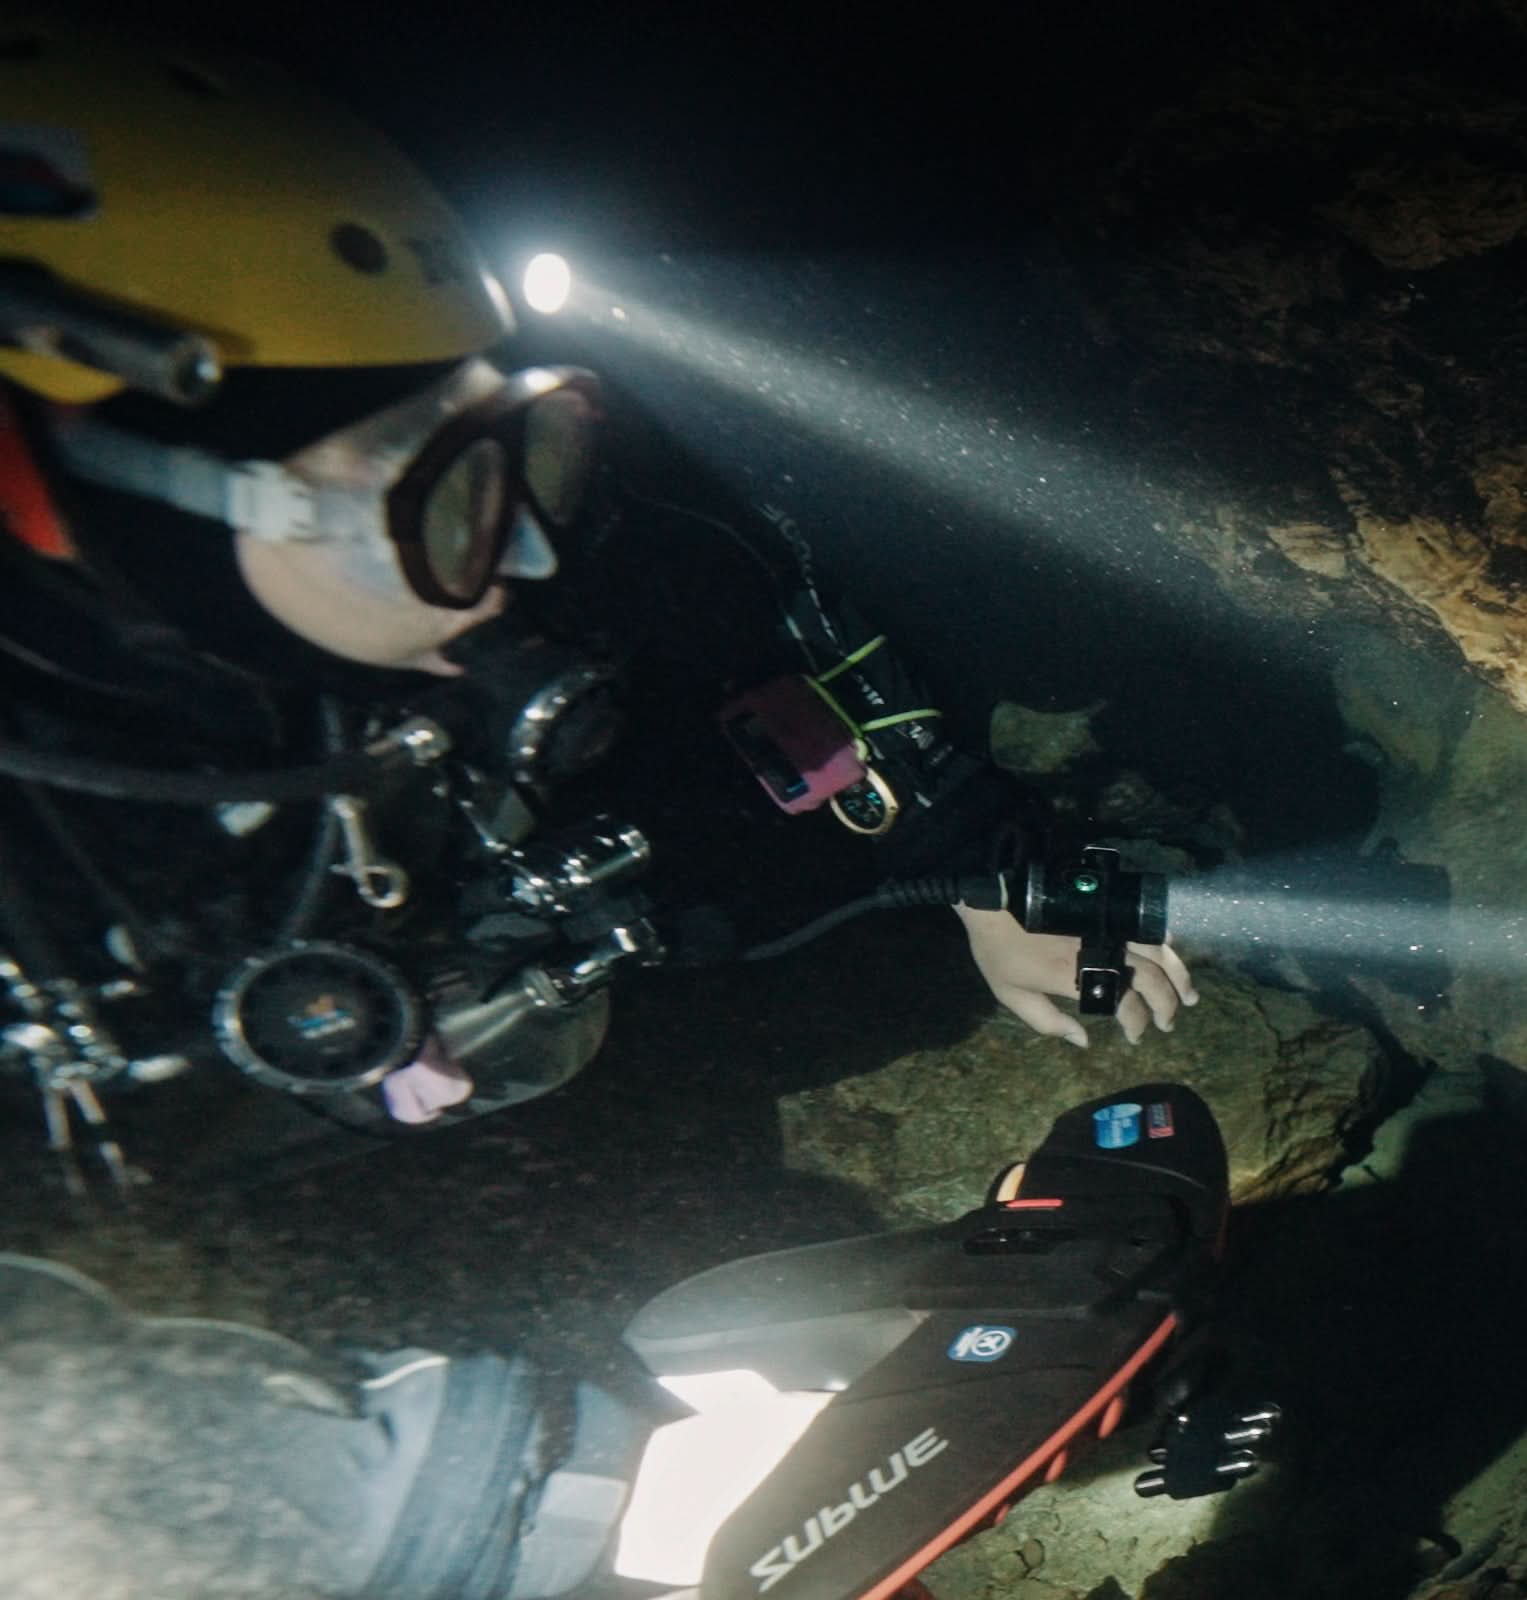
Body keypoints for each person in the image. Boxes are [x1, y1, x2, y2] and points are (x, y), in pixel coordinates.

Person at [0, 20, 1190, 1186]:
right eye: (419, 496)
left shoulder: (494, 567)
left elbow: (740, 640)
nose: (522, 553)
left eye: (528, 448)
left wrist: (984, 867)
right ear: (49, 496)